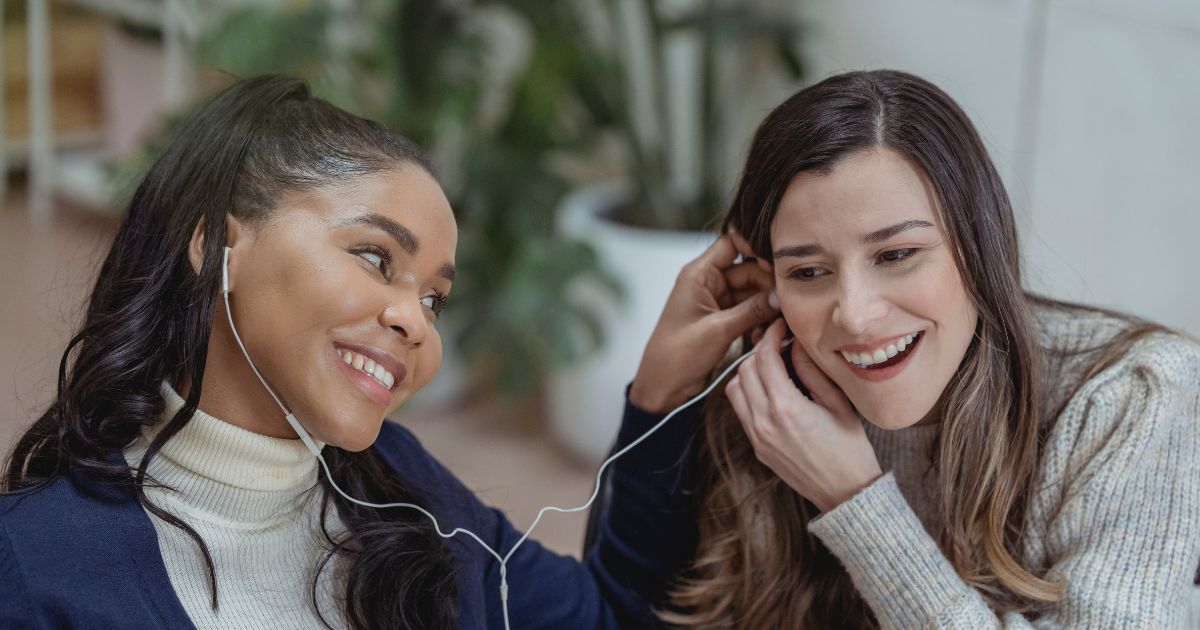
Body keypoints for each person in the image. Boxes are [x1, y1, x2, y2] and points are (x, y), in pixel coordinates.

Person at [0, 75, 781, 630]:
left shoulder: (410, 497)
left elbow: (608, 619)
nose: (415, 321)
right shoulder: (37, 569)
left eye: (435, 298)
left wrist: (659, 397)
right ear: (215, 251)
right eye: (376, 258)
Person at [627, 70, 1200, 628]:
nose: (853, 314)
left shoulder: (1135, 397)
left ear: (980, 245)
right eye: (807, 271)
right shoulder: (772, 408)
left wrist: (855, 501)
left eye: (897, 254)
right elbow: (623, 612)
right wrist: (659, 393)